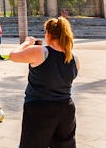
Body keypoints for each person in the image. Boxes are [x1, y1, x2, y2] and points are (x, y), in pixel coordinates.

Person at [9, 17, 80, 148]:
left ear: (48, 33)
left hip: (39, 108)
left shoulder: (41, 51)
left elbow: (13, 55)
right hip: (66, 108)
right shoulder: (74, 57)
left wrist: (26, 42)